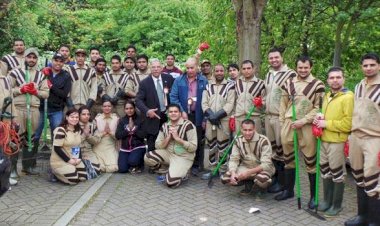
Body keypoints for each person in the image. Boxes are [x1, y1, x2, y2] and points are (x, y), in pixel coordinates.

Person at [276, 56, 325, 210]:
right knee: (288, 159)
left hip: (307, 126)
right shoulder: (289, 83)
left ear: (311, 67)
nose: (303, 70)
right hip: (289, 124)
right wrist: (283, 122)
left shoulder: (318, 85)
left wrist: (304, 120)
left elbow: (319, 108)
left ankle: (313, 197)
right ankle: (289, 191)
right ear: (296, 67)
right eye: (300, 67)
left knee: (310, 161)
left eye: (306, 67)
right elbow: (283, 104)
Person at [312, 67, 353, 217]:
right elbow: (326, 115)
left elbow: (348, 123)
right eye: (332, 78)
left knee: (337, 173)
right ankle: (326, 201)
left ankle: (337, 205)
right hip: (323, 140)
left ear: (343, 79)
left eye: (338, 77)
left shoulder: (348, 97)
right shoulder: (327, 95)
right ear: (327, 80)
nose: (335, 80)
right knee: (325, 171)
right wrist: (319, 117)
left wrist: (326, 124)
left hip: (337, 141)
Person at [345, 53, 380, 226]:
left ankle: (374, 220)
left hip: (374, 138)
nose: (368, 68)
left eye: (372, 65)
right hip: (356, 136)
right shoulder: (358, 86)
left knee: (373, 178)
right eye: (365, 65)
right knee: (358, 175)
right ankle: (362, 216)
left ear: (378, 66)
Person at [9, 48, 49, 179]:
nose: (31, 60)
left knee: (31, 139)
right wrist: (21, 89)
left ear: (37, 59)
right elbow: (7, 89)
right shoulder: (15, 73)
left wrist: (35, 92)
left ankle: (27, 167)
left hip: (33, 109)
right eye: (29, 57)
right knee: (15, 138)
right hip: (18, 108)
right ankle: (13, 169)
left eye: (34, 57)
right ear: (24, 57)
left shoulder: (41, 75)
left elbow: (46, 93)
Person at [264, 48, 297, 194]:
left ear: (281, 58)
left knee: (283, 150)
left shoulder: (290, 74)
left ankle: (285, 184)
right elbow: (267, 94)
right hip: (268, 116)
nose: (274, 60)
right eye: (271, 58)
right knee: (273, 150)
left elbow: (294, 98)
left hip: (280, 117)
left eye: (276, 57)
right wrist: (262, 101)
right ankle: (276, 179)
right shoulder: (269, 74)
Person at [170, 57, 208, 174]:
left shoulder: (203, 80)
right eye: (187, 68)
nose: (190, 70)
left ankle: (196, 165)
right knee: (182, 139)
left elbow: (208, 100)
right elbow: (173, 97)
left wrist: (205, 118)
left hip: (198, 115)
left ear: (197, 67)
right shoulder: (179, 80)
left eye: (192, 68)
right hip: (183, 115)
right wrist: (182, 111)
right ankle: (184, 164)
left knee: (196, 140)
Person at [144, 104, 197, 188]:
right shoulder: (165, 126)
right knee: (148, 157)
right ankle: (166, 171)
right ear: (168, 114)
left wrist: (177, 138)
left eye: (175, 111)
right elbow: (157, 146)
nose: (173, 113)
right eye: (171, 112)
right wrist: (168, 137)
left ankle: (183, 173)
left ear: (180, 113)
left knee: (171, 183)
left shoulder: (188, 125)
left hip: (183, 157)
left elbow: (193, 148)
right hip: (168, 154)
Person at [221, 119, 275, 195]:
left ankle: (263, 186)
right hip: (245, 167)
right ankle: (249, 184)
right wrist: (233, 173)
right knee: (225, 179)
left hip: (261, 169)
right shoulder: (237, 140)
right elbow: (234, 159)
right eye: (245, 130)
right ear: (241, 129)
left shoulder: (263, 140)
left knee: (262, 180)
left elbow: (266, 164)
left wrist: (248, 173)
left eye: (250, 130)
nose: (247, 133)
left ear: (254, 129)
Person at [201, 64, 235, 178]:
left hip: (223, 120)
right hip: (211, 120)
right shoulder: (208, 86)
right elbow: (204, 103)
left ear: (224, 72)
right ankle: (212, 169)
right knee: (211, 144)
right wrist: (212, 116)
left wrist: (218, 116)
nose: (219, 73)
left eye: (221, 71)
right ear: (214, 72)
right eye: (217, 71)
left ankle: (223, 169)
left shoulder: (230, 86)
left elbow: (230, 104)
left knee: (223, 145)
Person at [35, 53, 72, 153]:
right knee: (36, 133)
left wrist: (51, 86)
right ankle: (30, 161)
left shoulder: (66, 76)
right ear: (52, 60)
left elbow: (64, 94)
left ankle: (55, 158)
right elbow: (35, 86)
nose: (58, 63)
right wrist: (43, 75)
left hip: (56, 109)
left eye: (61, 61)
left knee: (56, 134)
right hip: (41, 108)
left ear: (63, 63)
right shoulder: (44, 72)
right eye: (56, 60)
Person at [136, 59, 174, 153]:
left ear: (161, 68)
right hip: (153, 117)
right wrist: (147, 111)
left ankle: (166, 163)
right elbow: (138, 100)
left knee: (168, 140)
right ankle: (152, 164)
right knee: (152, 144)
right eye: (153, 67)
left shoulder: (169, 78)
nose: (156, 69)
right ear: (150, 68)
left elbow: (174, 94)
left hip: (168, 116)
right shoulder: (144, 83)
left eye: (158, 67)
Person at [50, 109, 87, 185]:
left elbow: (76, 145)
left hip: (72, 157)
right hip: (60, 160)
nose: (75, 119)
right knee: (73, 180)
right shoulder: (61, 130)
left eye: (76, 117)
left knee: (83, 177)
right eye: (72, 117)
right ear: (67, 117)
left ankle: (70, 170)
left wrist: (78, 158)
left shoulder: (78, 130)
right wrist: (69, 160)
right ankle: (55, 173)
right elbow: (57, 148)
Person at [234, 60, 265, 134]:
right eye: (244, 69)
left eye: (248, 68)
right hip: (239, 118)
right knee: (239, 141)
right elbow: (234, 101)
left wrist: (261, 103)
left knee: (254, 142)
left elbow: (265, 102)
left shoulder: (261, 83)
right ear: (241, 70)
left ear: (253, 69)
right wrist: (232, 116)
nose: (246, 71)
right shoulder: (237, 82)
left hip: (254, 118)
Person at [0, 61, 18, 187]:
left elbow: (11, 100)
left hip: (5, 121)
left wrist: (14, 119)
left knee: (5, 149)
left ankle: (4, 179)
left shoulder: (5, 80)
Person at [116, 101, 146, 173]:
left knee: (133, 161)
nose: (129, 110)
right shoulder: (122, 120)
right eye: (127, 109)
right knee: (122, 170)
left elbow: (144, 135)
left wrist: (134, 129)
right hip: (125, 149)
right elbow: (117, 135)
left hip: (138, 147)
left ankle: (139, 164)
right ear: (124, 110)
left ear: (134, 108)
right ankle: (130, 163)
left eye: (131, 108)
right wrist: (127, 130)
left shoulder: (141, 119)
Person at [93, 100, 119, 172]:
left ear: (112, 107)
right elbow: (93, 136)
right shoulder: (97, 119)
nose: (107, 108)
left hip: (111, 145)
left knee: (113, 168)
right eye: (105, 106)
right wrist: (103, 133)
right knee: (101, 168)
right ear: (102, 107)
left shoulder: (116, 119)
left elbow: (119, 136)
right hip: (99, 145)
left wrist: (110, 132)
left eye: (109, 106)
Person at [79, 106, 101, 175]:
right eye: (83, 114)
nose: (86, 116)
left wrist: (88, 135)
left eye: (88, 114)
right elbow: (73, 142)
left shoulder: (93, 125)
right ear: (79, 115)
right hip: (76, 152)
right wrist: (84, 135)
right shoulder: (74, 124)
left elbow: (97, 140)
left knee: (96, 170)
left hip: (88, 152)